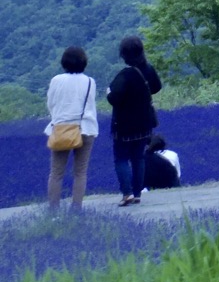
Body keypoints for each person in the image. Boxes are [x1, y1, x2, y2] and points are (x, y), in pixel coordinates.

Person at [106, 35, 162, 207]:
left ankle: (127, 193)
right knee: (139, 158)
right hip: (144, 122)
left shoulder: (125, 75)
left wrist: (108, 92)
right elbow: (157, 87)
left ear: (124, 55)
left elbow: (114, 98)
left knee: (121, 158)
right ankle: (137, 193)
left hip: (124, 125)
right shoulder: (149, 69)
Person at [45, 45, 98, 211]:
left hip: (61, 128)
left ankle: (53, 211)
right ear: (84, 62)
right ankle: (76, 210)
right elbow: (90, 104)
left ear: (64, 62)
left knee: (56, 173)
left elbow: (51, 104)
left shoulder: (56, 80)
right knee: (80, 172)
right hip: (85, 128)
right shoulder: (90, 81)